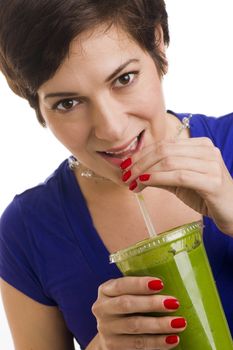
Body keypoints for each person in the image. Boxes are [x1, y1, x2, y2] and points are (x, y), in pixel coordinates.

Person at [0, 0, 233, 349]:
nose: (111, 129)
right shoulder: (26, 232)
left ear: (157, 44)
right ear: (38, 106)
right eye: (68, 103)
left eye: (124, 79)